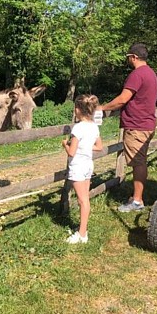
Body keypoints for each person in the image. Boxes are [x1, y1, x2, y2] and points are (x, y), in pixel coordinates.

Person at [99, 43, 157, 212]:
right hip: (146, 123)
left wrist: (103, 107)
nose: (128, 61)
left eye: (129, 58)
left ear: (134, 57)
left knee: (137, 162)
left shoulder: (137, 74)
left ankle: (137, 200)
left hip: (137, 125)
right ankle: (137, 196)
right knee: (140, 161)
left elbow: (123, 99)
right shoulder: (151, 74)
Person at [62, 94, 103, 244]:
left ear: (78, 110)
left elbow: (71, 152)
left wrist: (65, 145)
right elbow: (99, 146)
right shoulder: (93, 126)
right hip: (88, 165)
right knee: (84, 199)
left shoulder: (78, 128)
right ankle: (82, 229)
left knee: (83, 200)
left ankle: (82, 234)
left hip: (78, 166)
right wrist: (85, 146)